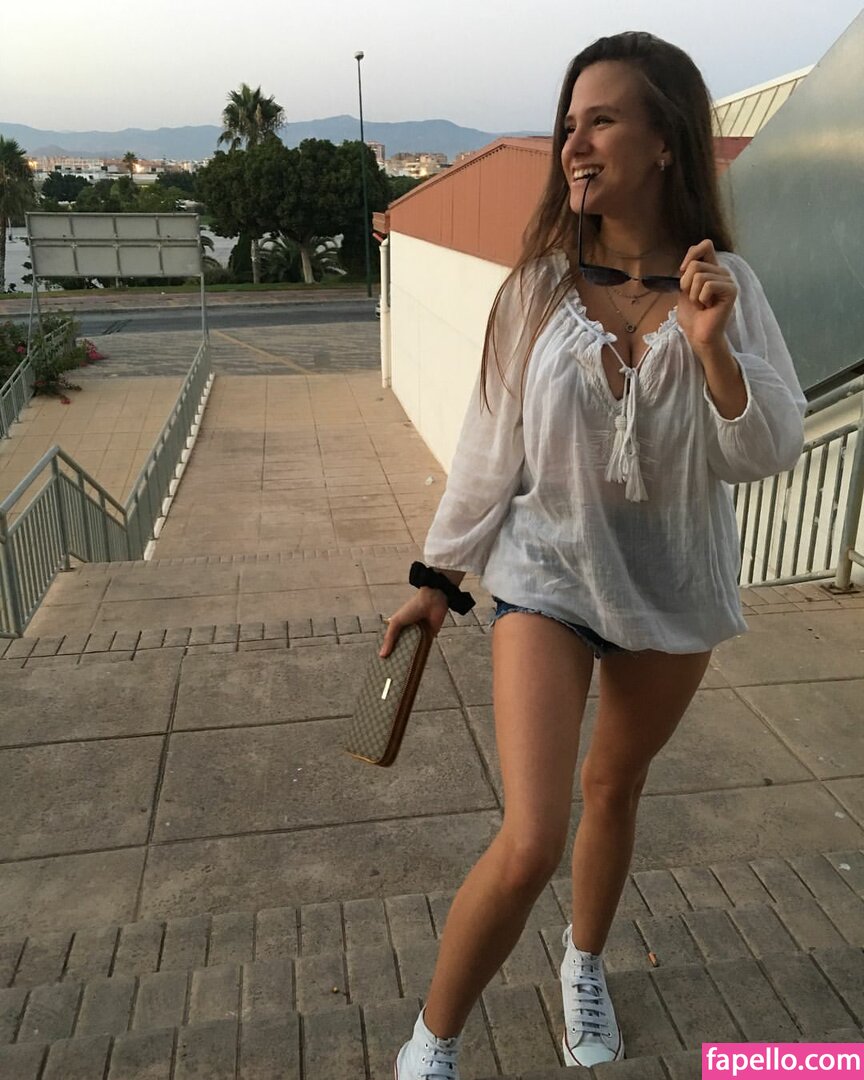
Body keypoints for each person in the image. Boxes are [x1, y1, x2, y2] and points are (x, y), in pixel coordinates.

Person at [382, 30, 806, 1078]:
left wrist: (711, 348)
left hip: (674, 583)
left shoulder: (729, 288)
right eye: (569, 123)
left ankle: (584, 963)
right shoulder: (534, 289)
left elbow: (764, 451)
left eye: (601, 119)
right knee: (532, 835)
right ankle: (431, 1045)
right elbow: (488, 450)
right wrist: (437, 581)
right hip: (549, 578)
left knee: (613, 791)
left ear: (665, 141)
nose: (574, 142)